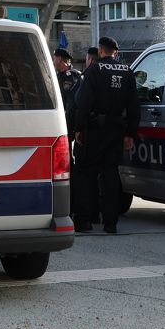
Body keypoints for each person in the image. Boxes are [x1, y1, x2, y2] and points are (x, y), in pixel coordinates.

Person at [68, 36, 139, 234]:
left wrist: (78, 129)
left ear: (100, 50)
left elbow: (83, 103)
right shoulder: (127, 71)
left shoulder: (94, 70)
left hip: (94, 130)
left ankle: (84, 221)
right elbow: (134, 105)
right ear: (115, 52)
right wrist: (130, 133)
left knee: (85, 174)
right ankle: (111, 223)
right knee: (110, 175)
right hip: (116, 130)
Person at [53, 48, 80, 112]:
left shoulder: (70, 76)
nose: (53, 62)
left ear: (59, 59)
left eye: (54, 59)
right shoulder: (60, 74)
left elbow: (66, 97)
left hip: (68, 115)